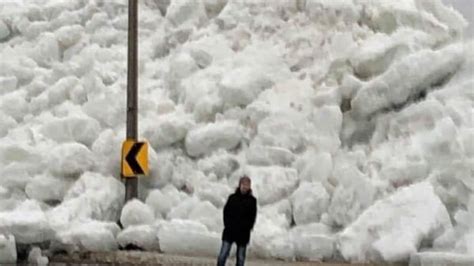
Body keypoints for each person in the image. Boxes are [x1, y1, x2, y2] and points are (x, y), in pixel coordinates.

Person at [217, 176, 257, 266]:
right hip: (230, 231)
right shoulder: (232, 198)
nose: (245, 187)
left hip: (243, 233)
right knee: (222, 255)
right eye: (243, 184)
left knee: (241, 258)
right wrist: (227, 224)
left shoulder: (252, 201)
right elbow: (226, 212)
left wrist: (248, 227)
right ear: (240, 185)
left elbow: (253, 216)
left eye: (247, 185)